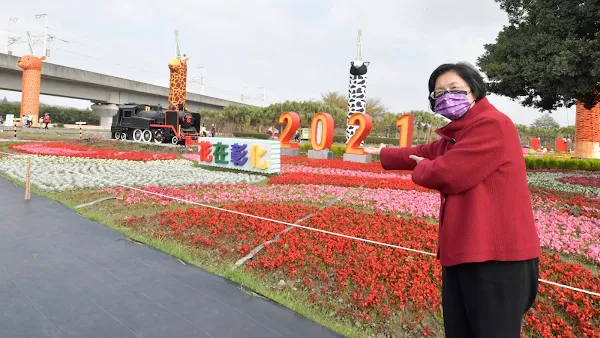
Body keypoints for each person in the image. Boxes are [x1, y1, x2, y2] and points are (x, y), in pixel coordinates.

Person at [365, 62, 541, 338]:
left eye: (455, 89)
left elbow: (450, 174)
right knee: (460, 330)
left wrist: (424, 166)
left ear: (474, 91)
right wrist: (382, 153)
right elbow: (425, 150)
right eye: (439, 92)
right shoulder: (460, 133)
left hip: (496, 256)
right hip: (468, 251)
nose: (447, 96)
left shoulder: (493, 125)